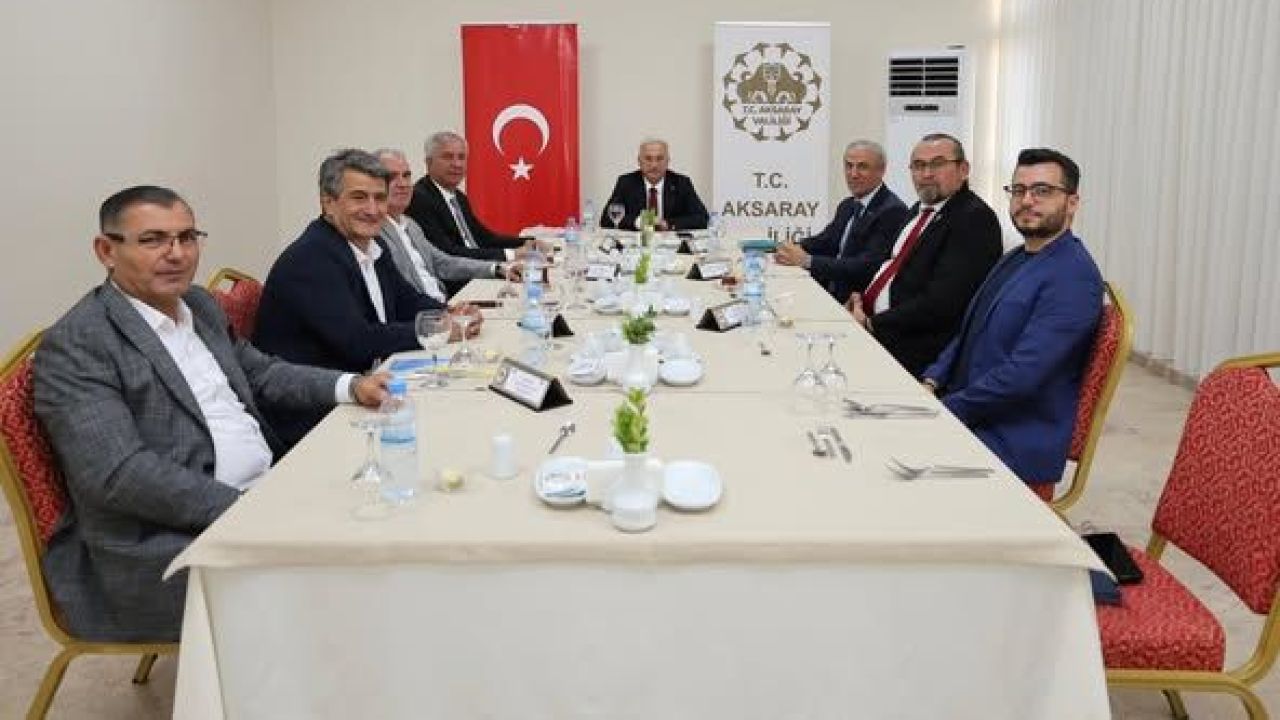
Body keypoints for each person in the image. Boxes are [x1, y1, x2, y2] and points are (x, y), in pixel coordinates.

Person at [33, 185, 389, 641]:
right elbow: (120, 475)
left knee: (388, 508)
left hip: (263, 486)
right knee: (357, 578)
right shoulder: (80, 343)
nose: (176, 254)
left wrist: (350, 385)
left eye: (187, 237)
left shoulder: (198, 305)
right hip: (165, 542)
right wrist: (250, 510)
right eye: (153, 240)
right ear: (106, 251)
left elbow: (259, 373)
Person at [254, 149, 481, 446]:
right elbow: (358, 341)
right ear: (328, 202)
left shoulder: (371, 246)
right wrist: (438, 328)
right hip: (317, 416)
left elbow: (407, 300)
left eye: (380, 198)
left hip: (370, 387)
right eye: (359, 198)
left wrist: (449, 312)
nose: (373, 210)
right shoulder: (311, 259)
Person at [922, 148, 1103, 501]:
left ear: (1072, 203)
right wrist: (932, 379)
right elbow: (968, 332)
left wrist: (946, 411)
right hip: (974, 413)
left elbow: (1023, 376)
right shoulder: (1018, 256)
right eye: (1018, 190)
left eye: (1042, 191)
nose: (1027, 200)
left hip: (1009, 440)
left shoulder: (1073, 277)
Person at [847, 133, 1003, 377]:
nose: (926, 174)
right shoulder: (920, 210)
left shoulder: (974, 219)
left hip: (913, 352)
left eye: (937, 164)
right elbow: (887, 268)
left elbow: (941, 304)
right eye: (919, 166)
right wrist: (858, 298)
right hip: (873, 329)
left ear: (963, 170)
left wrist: (871, 324)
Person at [775, 140, 910, 303]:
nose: (853, 174)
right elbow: (824, 242)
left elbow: (866, 266)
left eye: (862, 167)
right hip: (829, 293)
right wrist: (782, 248)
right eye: (849, 166)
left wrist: (807, 261)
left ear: (881, 170)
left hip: (857, 303)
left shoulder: (892, 211)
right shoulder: (848, 205)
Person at [375, 148, 519, 299]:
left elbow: (442, 262)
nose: (403, 184)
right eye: (392, 177)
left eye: (406, 176)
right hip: (427, 308)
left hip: (443, 301)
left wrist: (497, 268)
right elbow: (401, 293)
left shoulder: (410, 224)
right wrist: (443, 309)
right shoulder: (375, 232)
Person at [405, 131, 527, 261]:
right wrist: (511, 254)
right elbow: (447, 252)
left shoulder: (458, 197)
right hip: (458, 272)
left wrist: (528, 243)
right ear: (429, 162)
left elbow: (485, 238)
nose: (457, 164)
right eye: (448, 157)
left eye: (461, 157)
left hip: (477, 266)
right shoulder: (419, 198)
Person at [601, 138, 709, 231]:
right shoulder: (626, 182)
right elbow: (606, 219)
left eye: (659, 159)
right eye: (648, 159)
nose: (654, 165)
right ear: (639, 161)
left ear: (668, 161)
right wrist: (639, 222)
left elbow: (702, 218)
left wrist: (667, 224)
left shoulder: (681, 183)